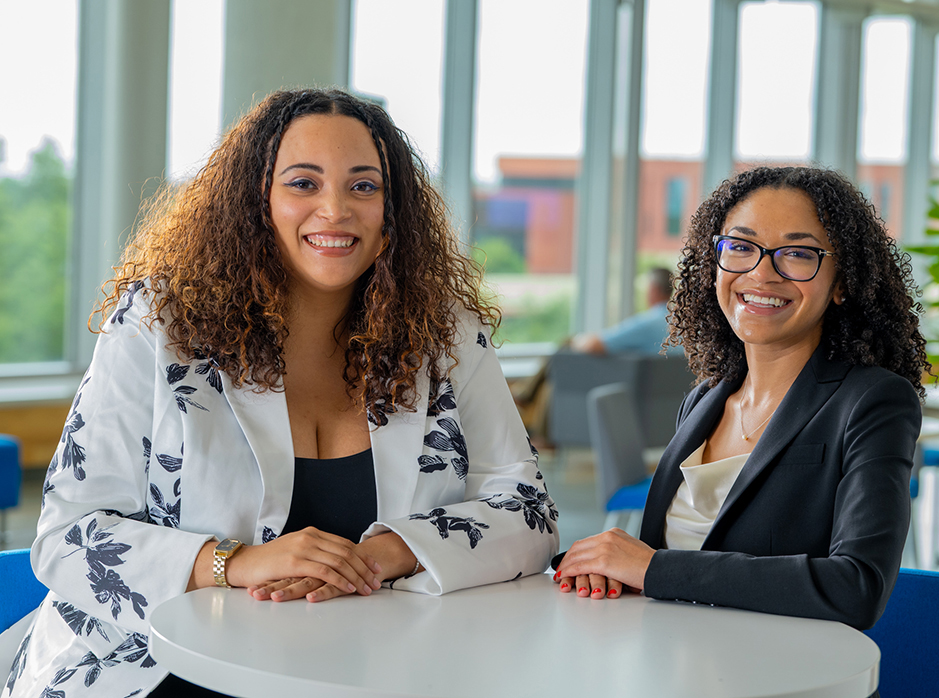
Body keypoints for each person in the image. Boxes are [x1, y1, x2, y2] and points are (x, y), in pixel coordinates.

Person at [4, 89, 558, 698]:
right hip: (154, 671)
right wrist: (234, 564)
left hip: (373, 670)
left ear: (393, 212)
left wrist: (380, 556)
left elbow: (527, 511)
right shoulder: (157, 323)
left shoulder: (444, 331)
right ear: (255, 202)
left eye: (363, 186)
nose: (335, 210)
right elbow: (68, 536)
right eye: (302, 183)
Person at [553, 166, 927, 631]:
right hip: (667, 659)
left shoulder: (871, 401)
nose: (760, 272)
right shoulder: (705, 399)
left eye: (796, 253)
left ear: (843, 283)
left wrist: (650, 569)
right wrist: (613, 570)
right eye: (741, 247)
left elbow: (856, 587)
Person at [570, 267, 676, 355]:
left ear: (653, 290)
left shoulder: (648, 324)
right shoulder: (683, 324)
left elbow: (594, 345)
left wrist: (575, 341)